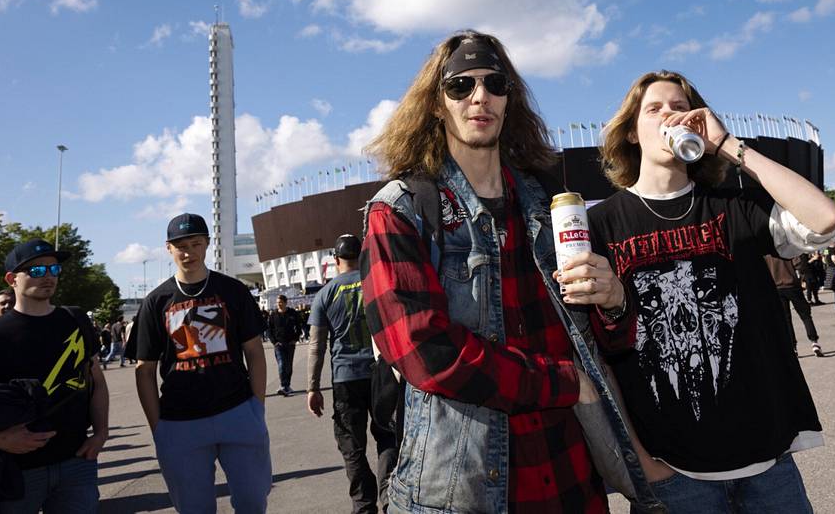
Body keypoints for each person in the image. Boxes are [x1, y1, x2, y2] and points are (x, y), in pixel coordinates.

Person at [360, 31, 654, 513]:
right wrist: (562, 383)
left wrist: (614, 302)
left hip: (569, 478)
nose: (480, 96)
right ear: (436, 104)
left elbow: (606, 342)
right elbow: (423, 352)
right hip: (464, 489)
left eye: (495, 83)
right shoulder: (401, 210)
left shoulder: (549, 204)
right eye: (460, 85)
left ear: (509, 99)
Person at [586, 70, 835, 513]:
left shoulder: (733, 206)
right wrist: (643, 464)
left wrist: (730, 146)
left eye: (681, 107)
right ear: (630, 130)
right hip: (673, 473)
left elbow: (824, 221)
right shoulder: (600, 225)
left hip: (768, 463)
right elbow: (595, 356)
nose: (671, 115)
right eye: (655, 108)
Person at [134, 214, 271, 514]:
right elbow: (144, 369)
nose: (189, 252)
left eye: (196, 243)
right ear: (168, 248)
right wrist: (158, 428)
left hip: (238, 413)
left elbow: (254, 351)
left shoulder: (233, 291)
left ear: (207, 244)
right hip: (179, 423)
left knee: (253, 502)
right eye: (180, 245)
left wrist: (256, 407)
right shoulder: (156, 302)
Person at [0, 239, 109, 513]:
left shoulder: (75, 320)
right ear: (11, 279)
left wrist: (101, 434)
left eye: (53, 270)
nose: (48, 276)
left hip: (77, 462)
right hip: (16, 471)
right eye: (37, 271)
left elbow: (96, 380)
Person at [306, 234, 397, 514]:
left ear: (335, 260)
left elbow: (316, 346)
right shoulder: (376, 285)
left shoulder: (325, 294)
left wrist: (313, 387)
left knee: (352, 446)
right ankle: (390, 497)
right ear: (362, 255)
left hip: (346, 378)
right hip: (381, 374)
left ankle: (363, 505)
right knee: (388, 436)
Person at [766, 255, 824, 356]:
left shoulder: (767, 254)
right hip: (792, 286)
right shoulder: (787, 250)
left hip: (777, 289)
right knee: (805, 315)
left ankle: (793, 347)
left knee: (786, 319)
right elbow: (800, 265)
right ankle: (814, 342)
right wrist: (802, 279)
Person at [267, 295, 300, 396]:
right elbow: (269, 329)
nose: (279, 304)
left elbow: (298, 326)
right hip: (279, 344)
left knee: (288, 365)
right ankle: (283, 385)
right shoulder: (273, 315)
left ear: (285, 302)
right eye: (277, 303)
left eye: (280, 302)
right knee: (281, 364)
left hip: (290, 344)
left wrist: (295, 339)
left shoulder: (292, 313)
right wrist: (274, 342)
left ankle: (287, 385)